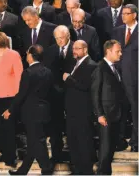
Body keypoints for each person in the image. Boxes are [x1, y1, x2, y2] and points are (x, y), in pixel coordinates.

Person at [4, 44, 54, 175]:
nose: (26, 57)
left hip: (31, 112)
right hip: (44, 111)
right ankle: (22, 171)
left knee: (38, 141)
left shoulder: (28, 73)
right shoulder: (48, 71)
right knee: (34, 142)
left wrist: (10, 109)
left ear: (31, 56)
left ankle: (47, 168)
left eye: (27, 54)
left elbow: (21, 94)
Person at [0, 32, 23, 167]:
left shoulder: (13, 55)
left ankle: (10, 157)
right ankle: (3, 152)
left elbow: (20, 78)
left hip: (9, 97)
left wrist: (17, 101)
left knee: (9, 128)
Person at [63, 40, 97, 174]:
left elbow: (85, 86)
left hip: (83, 110)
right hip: (72, 110)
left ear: (85, 49)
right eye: (73, 48)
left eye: (77, 48)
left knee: (84, 140)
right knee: (73, 140)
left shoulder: (91, 65)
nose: (74, 51)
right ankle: (77, 169)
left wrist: (69, 78)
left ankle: (86, 170)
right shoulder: (75, 63)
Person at [91, 40, 124, 175]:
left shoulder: (115, 68)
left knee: (110, 151)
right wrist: (99, 114)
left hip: (116, 114)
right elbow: (95, 93)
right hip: (105, 116)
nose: (120, 54)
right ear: (108, 51)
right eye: (118, 51)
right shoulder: (100, 68)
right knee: (105, 151)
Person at [44, 25, 75, 162]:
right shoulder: (50, 51)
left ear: (68, 36)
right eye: (56, 38)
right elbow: (47, 72)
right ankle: (56, 154)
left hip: (73, 93)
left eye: (61, 38)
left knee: (72, 124)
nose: (59, 41)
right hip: (55, 95)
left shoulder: (77, 48)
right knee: (55, 125)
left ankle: (74, 154)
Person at [112, 4, 138, 152]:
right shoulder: (117, 31)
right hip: (119, 78)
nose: (123, 16)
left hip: (135, 79)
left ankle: (136, 142)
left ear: (134, 15)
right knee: (119, 110)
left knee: (135, 111)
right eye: (122, 14)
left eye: (127, 14)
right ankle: (119, 140)